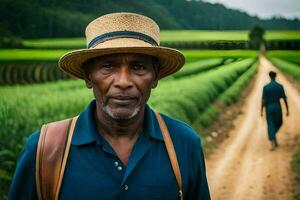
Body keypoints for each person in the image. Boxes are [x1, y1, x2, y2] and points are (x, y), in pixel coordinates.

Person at [9, 12, 211, 199]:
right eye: (108, 66)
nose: (123, 82)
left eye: (138, 67)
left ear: (155, 76)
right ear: (88, 77)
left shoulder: (183, 144)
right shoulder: (45, 149)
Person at [261, 71, 289, 151]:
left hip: (269, 108)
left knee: (271, 124)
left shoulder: (266, 87)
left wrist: (261, 110)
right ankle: (273, 141)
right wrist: (287, 109)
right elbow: (284, 99)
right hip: (277, 107)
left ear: (269, 76)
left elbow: (263, 100)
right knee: (279, 123)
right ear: (275, 76)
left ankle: (272, 138)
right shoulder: (280, 86)